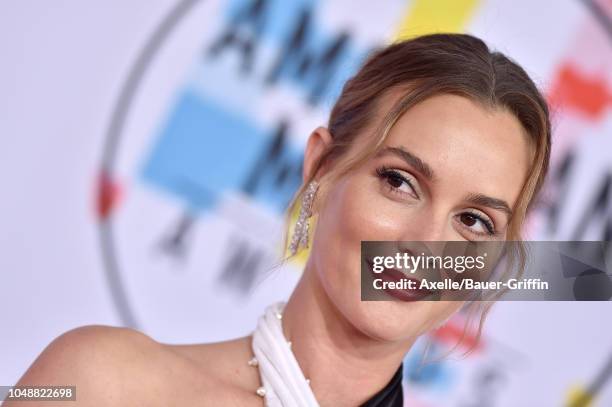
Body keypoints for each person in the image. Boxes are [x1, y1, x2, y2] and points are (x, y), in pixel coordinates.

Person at [6, 33, 551, 406]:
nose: (425, 244)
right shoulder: (95, 381)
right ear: (321, 167)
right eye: (398, 182)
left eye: (474, 222)